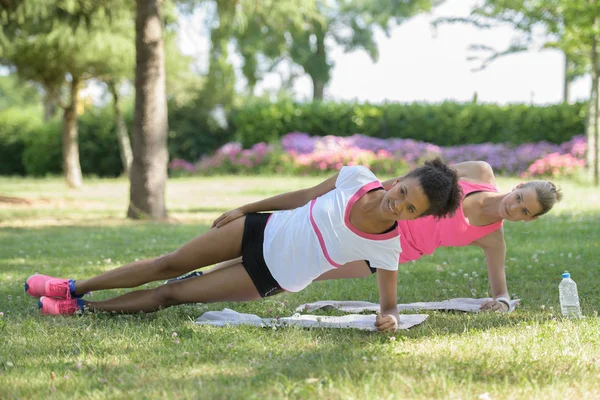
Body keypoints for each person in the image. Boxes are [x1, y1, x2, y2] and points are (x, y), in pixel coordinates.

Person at [24, 159, 462, 332]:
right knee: (168, 262)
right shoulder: (357, 177)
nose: (398, 203)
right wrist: (243, 209)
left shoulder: (387, 249)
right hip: (258, 229)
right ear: (401, 178)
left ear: (417, 218)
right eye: (404, 191)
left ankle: (83, 309)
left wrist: (388, 319)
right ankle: (73, 287)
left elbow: (389, 304)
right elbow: (301, 197)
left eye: (410, 208)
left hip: (266, 276)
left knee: (172, 292)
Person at [186, 161, 563, 313]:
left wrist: (501, 303)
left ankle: (211, 284)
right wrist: (381, 191)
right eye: (519, 198)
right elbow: (425, 176)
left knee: (302, 271)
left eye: (525, 211)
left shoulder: (493, 238)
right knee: (282, 240)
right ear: (516, 187)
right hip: (380, 215)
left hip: (383, 252)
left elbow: (500, 289)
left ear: (527, 220)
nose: (515, 208)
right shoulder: (479, 171)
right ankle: (198, 277)